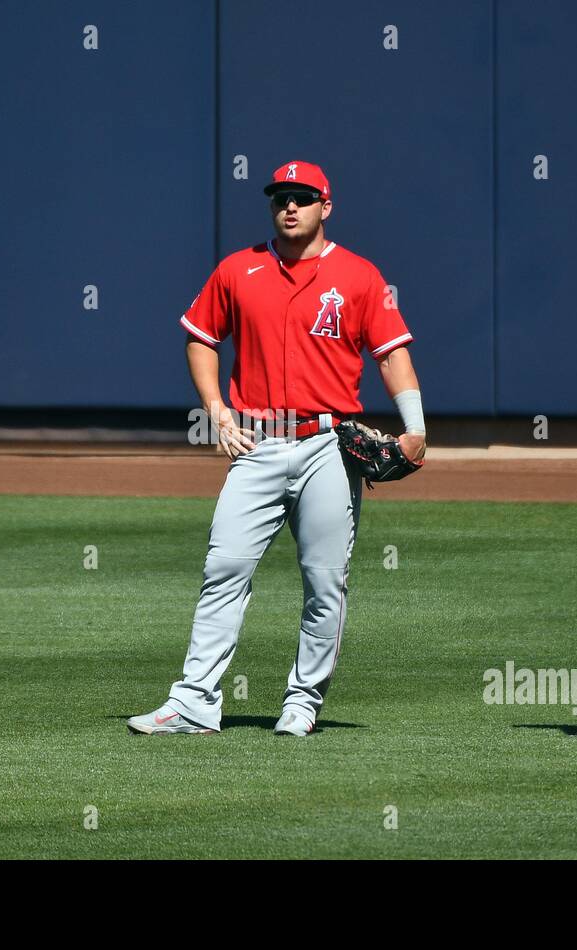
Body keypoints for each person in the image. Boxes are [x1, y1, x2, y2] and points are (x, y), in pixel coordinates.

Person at [128, 160, 426, 736]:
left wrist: (415, 428)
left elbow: (390, 353)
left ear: (325, 206)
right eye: (280, 197)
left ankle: (302, 702)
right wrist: (216, 409)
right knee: (224, 568)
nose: (290, 206)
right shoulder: (240, 269)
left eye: (303, 197)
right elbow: (200, 337)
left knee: (323, 579)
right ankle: (194, 703)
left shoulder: (360, 276)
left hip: (328, 447)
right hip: (257, 444)